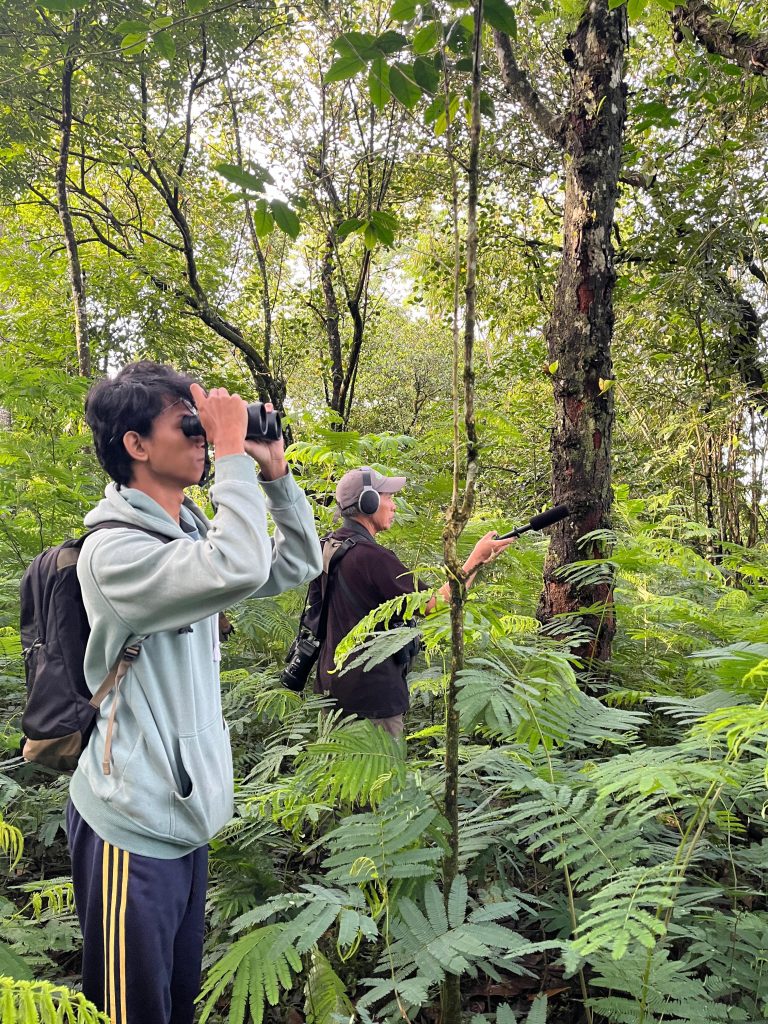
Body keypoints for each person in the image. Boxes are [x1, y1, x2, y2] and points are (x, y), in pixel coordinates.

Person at [66, 361, 322, 1024]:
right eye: (190, 425)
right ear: (136, 445)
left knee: (176, 1004)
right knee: (132, 1013)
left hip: (185, 822)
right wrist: (232, 452)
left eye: (206, 426)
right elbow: (238, 563)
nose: (206, 438)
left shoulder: (190, 532)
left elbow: (295, 564)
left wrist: (274, 473)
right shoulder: (115, 553)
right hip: (132, 826)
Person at [310, 467, 514, 737]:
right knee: (384, 774)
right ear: (367, 502)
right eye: (388, 497)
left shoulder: (326, 547)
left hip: (332, 693)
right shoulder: (373, 557)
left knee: (339, 775)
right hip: (373, 698)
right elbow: (437, 605)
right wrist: (475, 559)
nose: (394, 505)